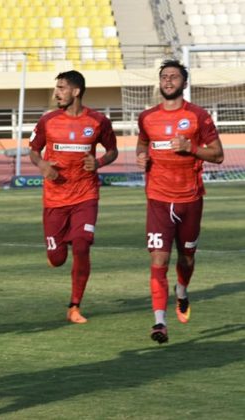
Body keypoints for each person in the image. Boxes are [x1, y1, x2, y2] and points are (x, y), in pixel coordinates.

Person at [136, 60, 224, 344]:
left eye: (174, 76)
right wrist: (141, 156)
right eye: (164, 76)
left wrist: (191, 148)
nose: (168, 80)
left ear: (184, 83)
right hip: (158, 200)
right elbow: (142, 143)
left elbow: (218, 155)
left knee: (186, 258)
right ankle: (159, 322)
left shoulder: (198, 116)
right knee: (158, 259)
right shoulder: (147, 117)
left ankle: (182, 291)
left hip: (190, 199)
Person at [29, 70, 118, 324]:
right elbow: (33, 150)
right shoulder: (48, 121)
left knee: (81, 245)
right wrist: (43, 165)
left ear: (76, 91)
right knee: (57, 260)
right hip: (55, 198)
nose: (56, 93)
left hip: (85, 195)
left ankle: (74, 306)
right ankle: (55, 251)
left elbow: (112, 151)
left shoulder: (98, 121)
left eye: (61, 88)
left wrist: (98, 162)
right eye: (56, 88)